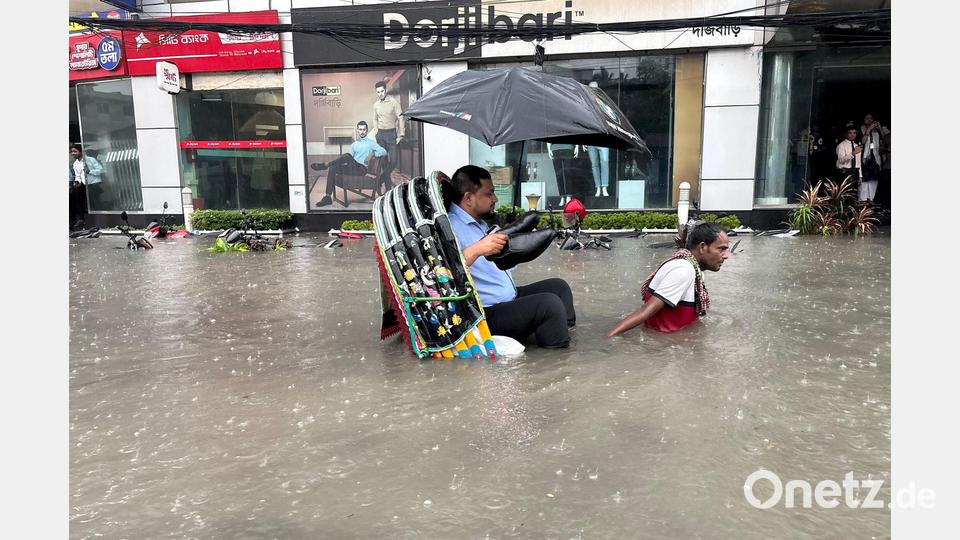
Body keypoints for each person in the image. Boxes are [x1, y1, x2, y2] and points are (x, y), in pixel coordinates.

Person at [442, 165, 576, 349]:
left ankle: (560, 334)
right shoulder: (450, 228)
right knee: (549, 305)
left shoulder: (480, 223)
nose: (495, 199)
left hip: (509, 298)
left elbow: (502, 265)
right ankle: (557, 360)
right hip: (486, 314)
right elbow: (444, 273)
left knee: (559, 288)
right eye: (489, 194)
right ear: (469, 198)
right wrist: (477, 249)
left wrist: (517, 240)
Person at [605, 221, 729, 336]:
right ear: (702, 247)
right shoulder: (683, 270)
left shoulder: (687, 266)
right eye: (721, 249)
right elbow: (645, 311)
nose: (726, 256)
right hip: (663, 348)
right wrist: (607, 339)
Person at [311, 121, 387, 207]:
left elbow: (383, 151)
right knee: (333, 167)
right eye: (360, 129)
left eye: (364, 129)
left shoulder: (371, 143)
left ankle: (326, 165)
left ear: (367, 130)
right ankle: (327, 197)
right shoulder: (354, 144)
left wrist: (372, 155)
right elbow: (348, 159)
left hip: (362, 169)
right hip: (352, 168)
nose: (362, 131)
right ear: (358, 130)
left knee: (347, 156)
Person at [372, 80, 405, 187]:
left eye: (382, 91)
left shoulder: (394, 102)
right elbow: (375, 119)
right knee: (383, 163)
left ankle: (380, 179)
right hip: (380, 135)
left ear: (386, 90)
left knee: (393, 161)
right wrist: (376, 131)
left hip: (391, 135)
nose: (380, 94)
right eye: (378, 92)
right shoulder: (376, 105)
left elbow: (401, 118)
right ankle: (387, 189)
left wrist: (401, 135)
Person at [858, 113, 889, 204]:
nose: (869, 120)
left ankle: (870, 198)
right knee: (864, 177)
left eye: (871, 118)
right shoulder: (861, 129)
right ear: (864, 120)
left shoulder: (877, 130)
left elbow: (885, 140)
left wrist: (879, 128)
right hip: (865, 156)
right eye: (867, 118)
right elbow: (863, 141)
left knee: (874, 178)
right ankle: (863, 198)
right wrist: (869, 129)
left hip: (875, 156)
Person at [69, 143, 103, 210]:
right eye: (72, 152)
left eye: (75, 151)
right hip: (86, 186)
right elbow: (78, 176)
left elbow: (101, 170)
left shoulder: (90, 160)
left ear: (81, 151)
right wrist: (77, 182)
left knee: (98, 205)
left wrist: (90, 171)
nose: (73, 153)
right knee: (89, 206)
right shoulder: (75, 164)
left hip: (95, 184)